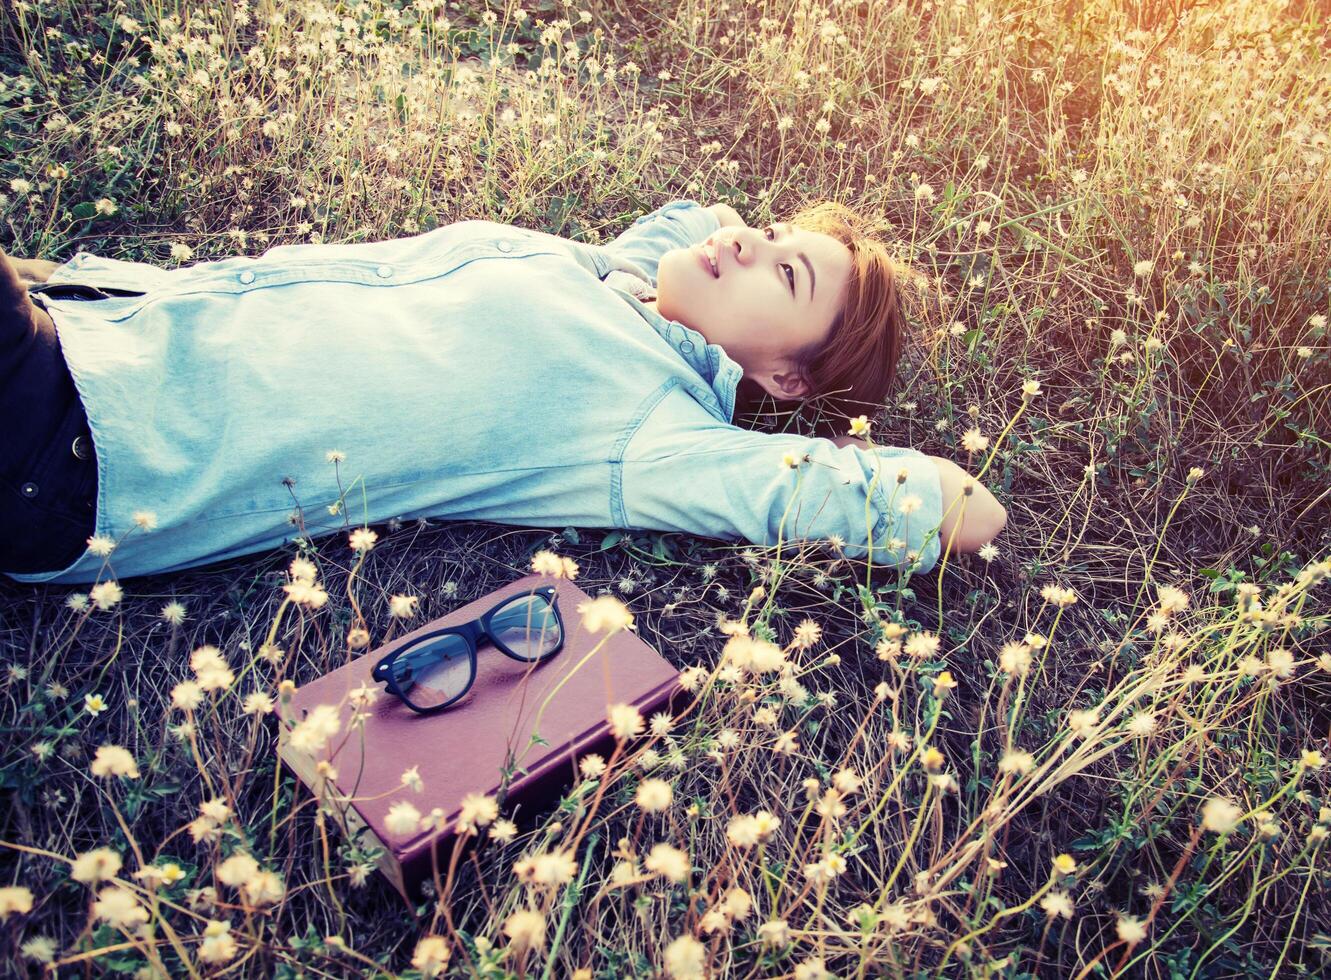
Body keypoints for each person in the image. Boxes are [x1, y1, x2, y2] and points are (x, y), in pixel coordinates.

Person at [1, 199, 1005, 585]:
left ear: (782, 376)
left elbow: (954, 506)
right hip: (95, 320)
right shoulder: (595, 272)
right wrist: (746, 260)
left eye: (784, 275)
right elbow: (687, 219)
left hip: (87, 441)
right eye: (775, 233)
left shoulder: (654, 433)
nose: (748, 240)